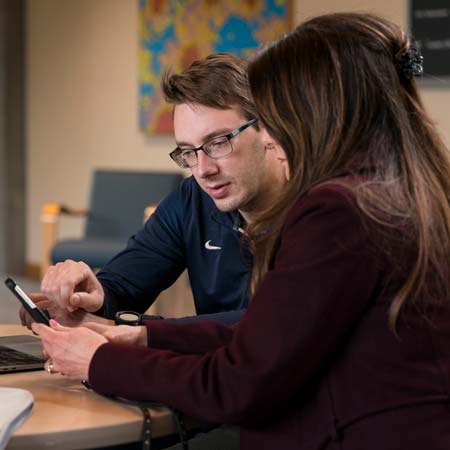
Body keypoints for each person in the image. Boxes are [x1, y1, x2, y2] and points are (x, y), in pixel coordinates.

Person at [34, 12, 450, 450]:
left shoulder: (337, 210)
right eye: (190, 153)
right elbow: (274, 337)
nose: (271, 137)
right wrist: (145, 334)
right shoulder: (398, 193)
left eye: (274, 118)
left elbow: (242, 381)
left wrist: (101, 361)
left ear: (317, 112)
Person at [21, 53, 287, 328]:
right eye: (187, 151)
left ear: (266, 128)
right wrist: (91, 298)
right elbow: (125, 284)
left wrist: (145, 332)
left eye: (218, 142)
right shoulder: (193, 199)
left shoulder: (318, 208)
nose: (202, 170)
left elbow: (272, 327)